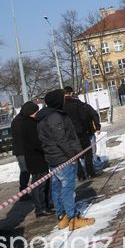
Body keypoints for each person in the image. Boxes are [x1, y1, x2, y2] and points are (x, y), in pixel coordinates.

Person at [37, 89, 95, 231]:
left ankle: (62, 217)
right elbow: (61, 139)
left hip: (52, 158)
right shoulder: (54, 116)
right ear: (58, 101)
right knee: (67, 188)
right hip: (62, 158)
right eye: (62, 98)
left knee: (56, 188)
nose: (65, 99)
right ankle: (73, 218)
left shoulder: (42, 117)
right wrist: (73, 155)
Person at [16, 102, 51, 217]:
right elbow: (35, 142)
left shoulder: (29, 123)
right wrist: (45, 147)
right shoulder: (28, 124)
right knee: (39, 184)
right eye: (36, 111)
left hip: (37, 157)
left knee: (43, 182)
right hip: (35, 158)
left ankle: (45, 204)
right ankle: (40, 208)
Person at [62, 86, 97, 179]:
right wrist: (86, 129)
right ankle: (90, 172)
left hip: (69, 134)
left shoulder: (61, 106)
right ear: (71, 93)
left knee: (75, 155)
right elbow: (84, 117)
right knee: (88, 152)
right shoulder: (77, 103)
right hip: (81, 132)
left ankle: (80, 175)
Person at [10, 106, 31, 195]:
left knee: (26, 171)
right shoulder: (19, 121)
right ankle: (23, 192)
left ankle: (24, 191)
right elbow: (22, 136)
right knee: (25, 171)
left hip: (22, 150)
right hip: (21, 151)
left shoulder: (19, 119)